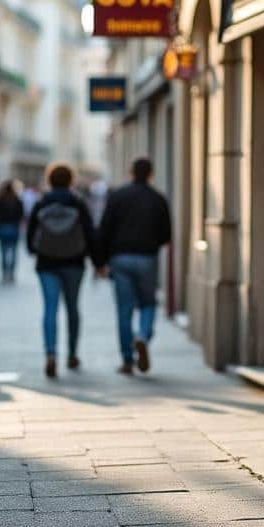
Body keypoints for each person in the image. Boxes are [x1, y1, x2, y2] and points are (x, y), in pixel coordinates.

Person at [96, 158, 171, 375]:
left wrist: (100, 262)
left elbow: (104, 230)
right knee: (148, 303)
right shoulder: (158, 199)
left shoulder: (118, 196)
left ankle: (127, 360)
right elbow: (166, 235)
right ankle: (143, 336)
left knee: (124, 310)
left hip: (120, 259)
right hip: (147, 258)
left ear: (130, 173)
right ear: (151, 174)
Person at [27, 163, 98, 378]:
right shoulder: (78, 203)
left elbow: (30, 236)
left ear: (49, 180)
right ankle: (72, 354)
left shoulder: (41, 202)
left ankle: (50, 353)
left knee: (50, 309)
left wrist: (36, 250)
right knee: (72, 308)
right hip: (74, 263)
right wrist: (98, 261)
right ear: (71, 180)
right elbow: (90, 234)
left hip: (47, 263)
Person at [0, 180, 25, 284]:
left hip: (2, 228)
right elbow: (21, 215)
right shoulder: (17, 200)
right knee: (13, 252)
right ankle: (11, 275)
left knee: (3, 252)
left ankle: (4, 274)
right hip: (14, 228)